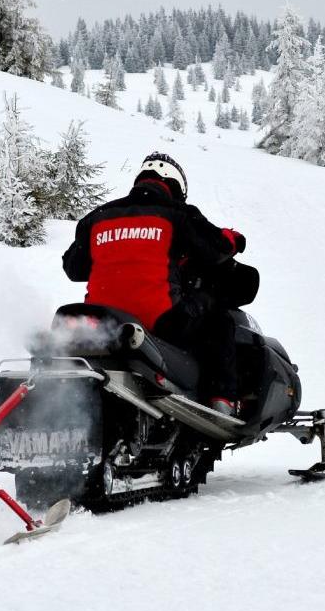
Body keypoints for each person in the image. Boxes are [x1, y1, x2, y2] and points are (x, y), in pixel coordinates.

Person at [61, 152, 246, 417]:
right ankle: (222, 401)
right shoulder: (179, 214)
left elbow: (73, 268)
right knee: (219, 319)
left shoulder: (97, 218)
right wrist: (234, 238)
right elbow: (215, 249)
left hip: (100, 323)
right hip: (160, 321)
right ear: (176, 186)